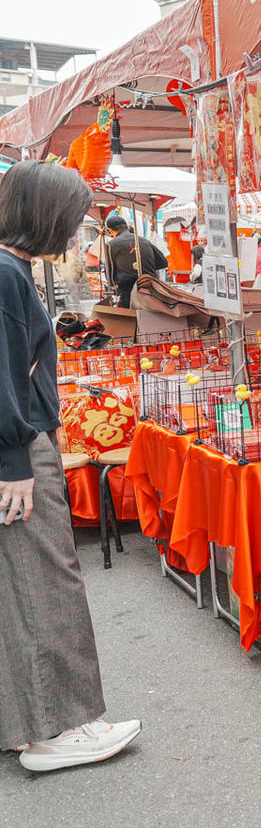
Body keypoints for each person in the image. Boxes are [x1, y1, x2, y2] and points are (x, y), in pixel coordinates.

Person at [0, 162, 141, 771]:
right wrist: (15, 460)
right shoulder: (8, 274)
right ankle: (57, 729)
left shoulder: (10, 269)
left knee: (25, 586)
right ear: (45, 215)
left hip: (20, 443)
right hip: (20, 447)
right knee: (47, 582)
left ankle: (37, 724)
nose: (78, 226)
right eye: (73, 214)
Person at [103, 214, 167, 307]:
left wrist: (113, 284)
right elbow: (163, 263)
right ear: (127, 227)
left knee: (130, 318)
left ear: (110, 231)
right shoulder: (144, 241)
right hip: (151, 287)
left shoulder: (110, 245)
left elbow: (109, 272)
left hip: (128, 291)